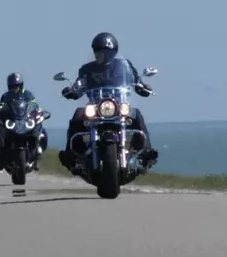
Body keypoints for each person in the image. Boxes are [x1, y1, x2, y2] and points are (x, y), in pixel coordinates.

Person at [58, 32, 158, 174]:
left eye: (105, 52)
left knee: (136, 114)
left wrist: (143, 88)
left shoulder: (124, 65)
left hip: (119, 105)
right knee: (78, 115)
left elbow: (136, 82)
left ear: (113, 52)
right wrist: (71, 91)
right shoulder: (86, 69)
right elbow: (79, 86)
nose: (101, 55)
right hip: (95, 106)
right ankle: (70, 155)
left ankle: (147, 152)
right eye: (98, 51)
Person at [0, 72, 48, 171]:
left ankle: (37, 155)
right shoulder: (5, 96)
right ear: (9, 86)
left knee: (42, 131)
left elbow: (34, 105)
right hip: (12, 120)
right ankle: (1, 156)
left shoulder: (28, 94)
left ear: (21, 85)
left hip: (24, 120)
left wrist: (40, 112)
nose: (15, 88)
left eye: (17, 86)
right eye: (13, 86)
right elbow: (1, 106)